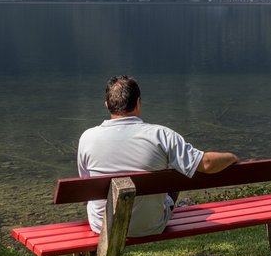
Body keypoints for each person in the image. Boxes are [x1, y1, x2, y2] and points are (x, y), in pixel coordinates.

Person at [77, 75, 239, 236]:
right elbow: (207, 164)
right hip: (150, 225)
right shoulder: (161, 135)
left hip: (103, 226)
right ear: (139, 103)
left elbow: (85, 183)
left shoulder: (87, 138)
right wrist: (231, 157)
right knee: (175, 175)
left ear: (107, 105)